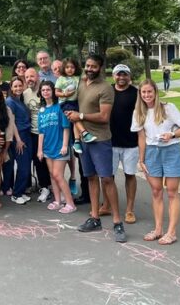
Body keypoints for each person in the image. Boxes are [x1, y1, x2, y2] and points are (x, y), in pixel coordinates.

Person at [69, 54, 127, 243]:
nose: (89, 68)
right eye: (87, 65)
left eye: (93, 66)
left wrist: (81, 116)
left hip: (100, 139)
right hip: (84, 139)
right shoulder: (82, 83)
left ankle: (117, 222)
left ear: (100, 68)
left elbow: (104, 117)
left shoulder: (106, 88)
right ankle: (95, 218)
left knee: (107, 179)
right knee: (91, 178)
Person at [132, 79, 180, 246]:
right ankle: (158, 229)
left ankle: (171, 232)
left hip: (171, 151)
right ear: (140, 94)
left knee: (172, 192)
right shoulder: (138, 112)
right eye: (143, 92)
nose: (147, 95)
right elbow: (141, 137)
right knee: (156, 191)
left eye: (149, 91)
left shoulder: (168, 108)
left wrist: (171, 135)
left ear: (155, 92)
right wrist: (141, 159)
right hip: (152, 152)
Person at [98, 64, 139, 224]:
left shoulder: (136, 93)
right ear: (113, 76)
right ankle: (107, 205)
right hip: (110, 141)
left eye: (125, 75)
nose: (121, 78)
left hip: (131, 142)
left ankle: (129, 210)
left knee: (130, 175)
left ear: (129, 76)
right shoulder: (107, 91)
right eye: (118, 75)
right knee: (107, 176)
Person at [37, 80, 75, 214]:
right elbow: (41, 132)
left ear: (53, 91)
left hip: (60, 147)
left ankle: (70, 203)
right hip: (47, 148)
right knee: (52, 175)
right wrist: (40, 150)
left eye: (48, 89)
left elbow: (66, 128)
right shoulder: (41, 111)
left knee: (58, 175)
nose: (46, 92)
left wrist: (65, 145)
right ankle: (58, 201)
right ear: (40, 93)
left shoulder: (60, 107)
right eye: (43, 90)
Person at [57, 58, 96, 156]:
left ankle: (77, 142)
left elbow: (86, 78)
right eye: (67, 67)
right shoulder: (61, 78)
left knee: (75, 121)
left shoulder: (77, 77)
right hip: (65, 103)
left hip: (75, 101)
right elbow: (56, 92)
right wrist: (64, 94)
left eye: (72, 67)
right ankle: (84, 133)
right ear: (63, 68)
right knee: (75, 118)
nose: (70, 69)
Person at [24, 67, 51, 202]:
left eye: (32, 76)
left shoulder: (45, 91)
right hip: (33, 133)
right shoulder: (25, 94)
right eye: (27, 77)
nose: (30, 79)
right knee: (38, 161)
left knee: (50, 161)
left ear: (38, 77)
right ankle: (44, 186)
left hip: (48, 132)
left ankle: (51, 186)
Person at [5, 77, 32, 205]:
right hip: (19, 136)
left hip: (26, 133)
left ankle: (20, 191)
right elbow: (12, 122)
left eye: (20, 86)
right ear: (11, 88)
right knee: (23, 167)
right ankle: (16, 194)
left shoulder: (19, 100)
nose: (18, 88)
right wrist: (18, 139)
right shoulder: (10, 101)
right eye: (15, 86)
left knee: (26, 165)